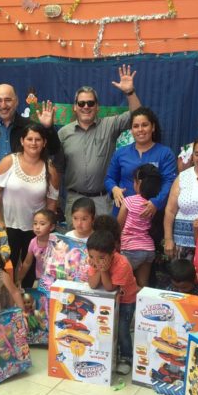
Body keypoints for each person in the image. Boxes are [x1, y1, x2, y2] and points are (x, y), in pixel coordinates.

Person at [57, 65, 142, 220]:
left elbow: (138, 116)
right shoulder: (63, 133)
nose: (86, 107)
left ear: (97, 107)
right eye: (81, 103)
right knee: (75, 243)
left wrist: (129, 92)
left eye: (90, 103)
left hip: (103, 201)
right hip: (74, 200)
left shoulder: (110, 125)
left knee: (104, 243)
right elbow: (57, 169)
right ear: (75, 107)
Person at [0, 124, 60, 288]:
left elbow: (51, 202)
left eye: (38, 139)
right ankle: (7, 304)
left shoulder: (50, 170)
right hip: (8, 226)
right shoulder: (9, 162)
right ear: (22, 141)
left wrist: (46, 229)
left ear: (44, 143)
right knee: (6, 266)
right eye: (29, 139)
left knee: (30, 272)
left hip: (35, 230)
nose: (33, 143)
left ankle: (28, 305)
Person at [105, 107, 177, 219]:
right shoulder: (121, 153)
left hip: (151, 214)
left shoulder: (165, 153)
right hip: (122, 213)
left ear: (152, 127)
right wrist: (114, 188)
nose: (140, 129)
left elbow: (169, 182)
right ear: (131, 130)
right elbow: (109, 178)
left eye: (144, 125)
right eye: (136, 126)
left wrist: (156, 203)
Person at [87, 230, 138, 375]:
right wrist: (98, 268)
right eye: (92, 256)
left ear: (112, 253)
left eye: (101, 257)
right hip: (108, 302)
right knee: (109, 328)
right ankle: (113, 353)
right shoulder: (94, 259)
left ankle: (126, 357)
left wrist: (103, 270)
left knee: (122, 329)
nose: (96, 260)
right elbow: (92, 284)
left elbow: (110, 288)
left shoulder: (122, 264)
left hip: (126, 300)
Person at [118, 164, 161, 287]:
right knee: (143, 285)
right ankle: (142, 306)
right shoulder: (154, 205)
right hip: (148, 249)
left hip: (130, 248)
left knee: (123, 283)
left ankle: (126, 306)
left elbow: (118, 226)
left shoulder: (129, 201)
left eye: (134, 181)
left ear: (139, 182)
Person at [16, 209, 56, 286]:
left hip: (56, 278)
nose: (37, 227)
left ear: (51, 227)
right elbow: (27, 262)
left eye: (42, 224)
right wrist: (19, 279)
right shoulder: (33, 242)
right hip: (40, 278)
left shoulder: (56, 241)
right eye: (35, 223)